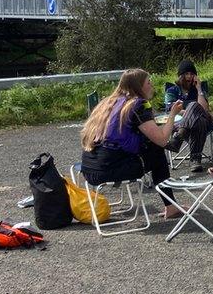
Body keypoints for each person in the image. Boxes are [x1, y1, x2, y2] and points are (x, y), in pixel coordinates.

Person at [79, 69, 184, 220]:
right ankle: (171, 207)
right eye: (149, 82)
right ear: (138, 87)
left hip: (89, 170)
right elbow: (161, 139)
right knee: (157, 149)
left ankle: (171, 206)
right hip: (108, 170)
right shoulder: (138, 105)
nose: (152, 85)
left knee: (150, 148)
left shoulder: (107, 103)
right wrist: (172, 115)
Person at [164, 59, 213, 173]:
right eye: (187, 73)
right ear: (181, 75)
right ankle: (195, 160)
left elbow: (205, 108)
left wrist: (199, 89)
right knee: (198, 121)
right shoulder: (172, 90)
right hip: (182, 122)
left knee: (194, 105)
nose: (190, 76)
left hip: (194, 122)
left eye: (192, 74)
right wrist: (190, 113)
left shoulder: (198, 89)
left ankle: (178, 138)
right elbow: (170, 109)